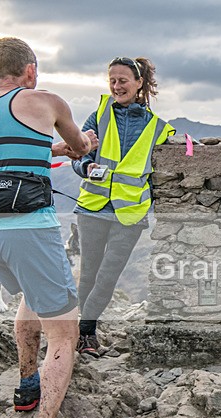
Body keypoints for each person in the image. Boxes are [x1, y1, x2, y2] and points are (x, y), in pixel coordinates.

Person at [0, 37, 94, 418]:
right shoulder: (45, 100)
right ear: (31, 71)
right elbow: (82, 148)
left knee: (31, 293)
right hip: (29, 227)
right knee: (65, 332)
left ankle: (27, 385)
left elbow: (7, 152)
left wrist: (51, 152)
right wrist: (79, 141)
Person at [71, 56, 174, 357]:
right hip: (92, 206)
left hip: (129, 213)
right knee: (88, 272)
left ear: (139, 83)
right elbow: (78, 154)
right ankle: (86, 334)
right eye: (112, 80)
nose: (117, 86)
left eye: (123, 81)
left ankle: (83, 330)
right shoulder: (98, 116)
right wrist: (86, 167)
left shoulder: (158, 128)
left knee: (108, 275)